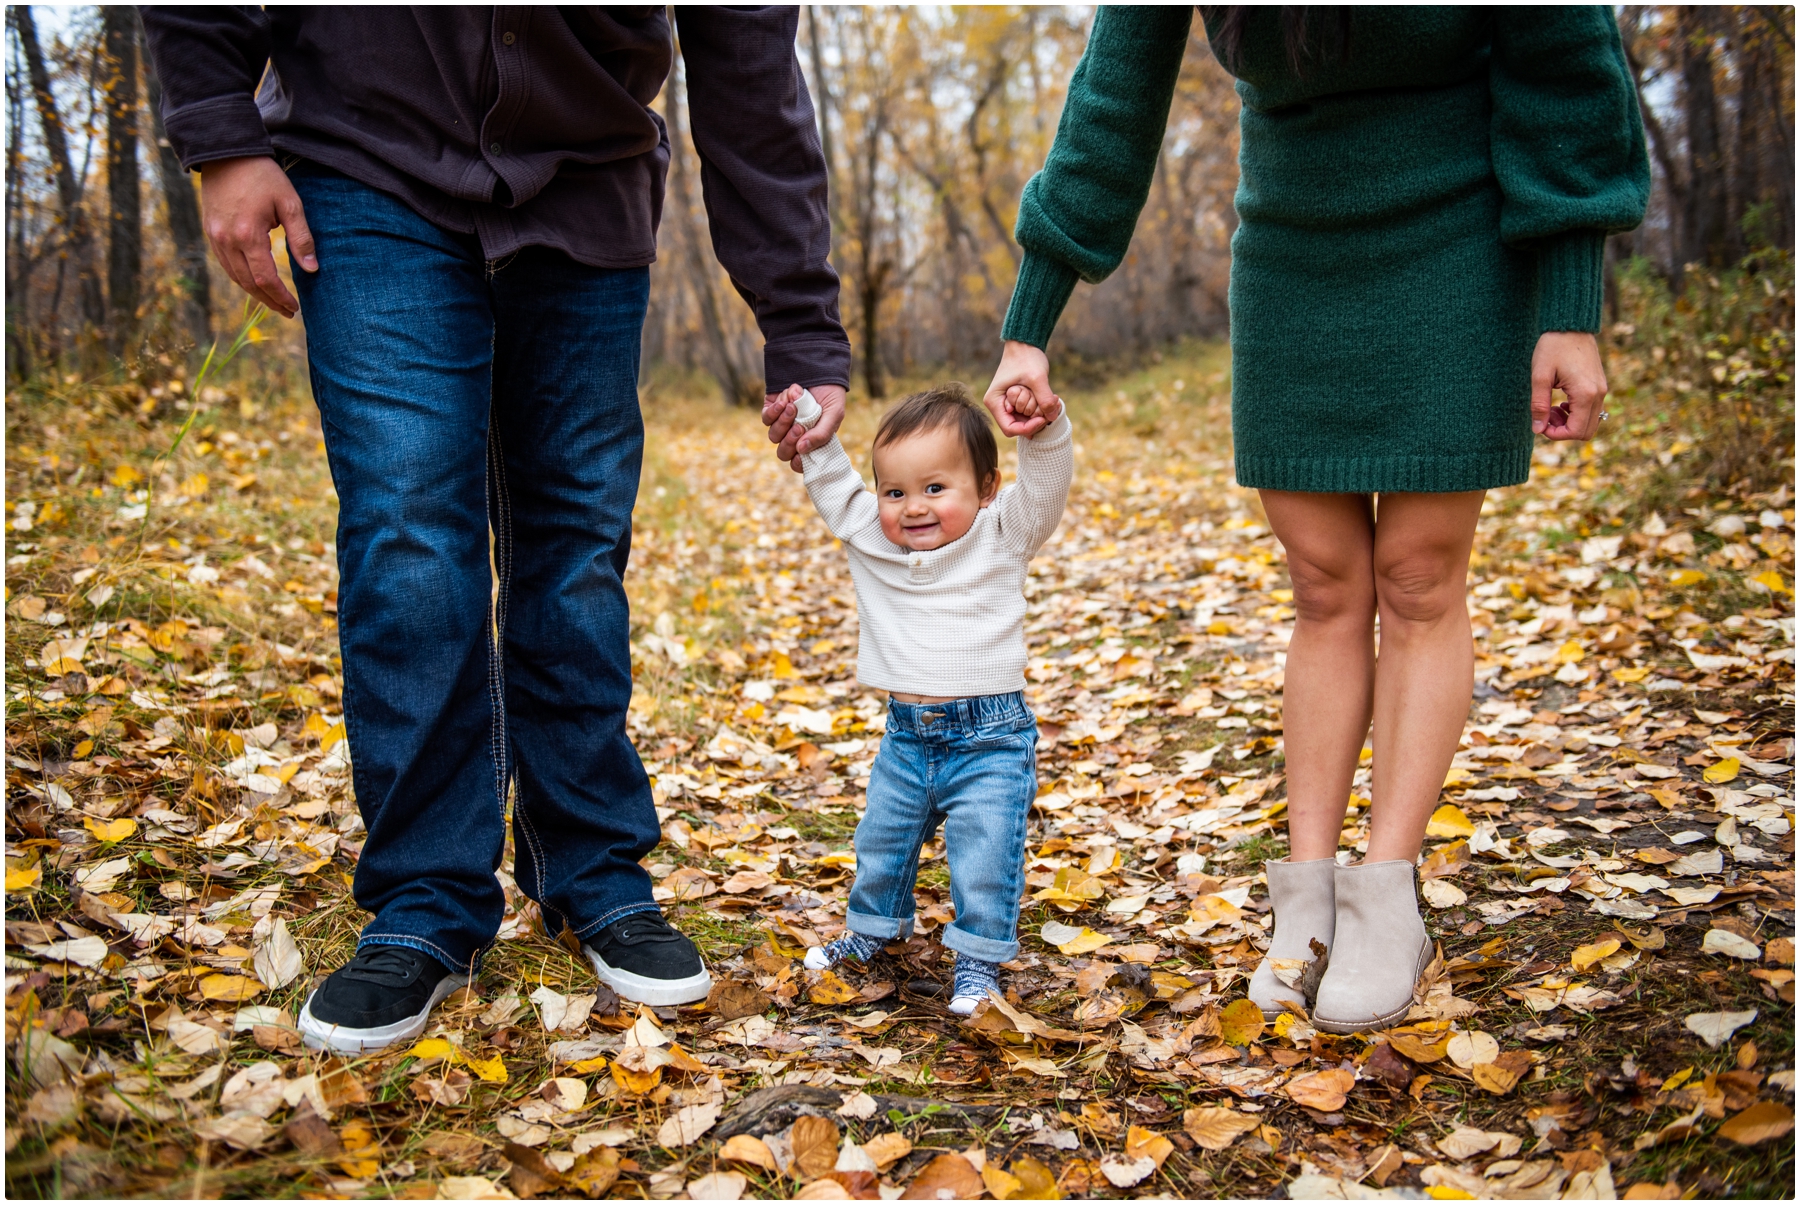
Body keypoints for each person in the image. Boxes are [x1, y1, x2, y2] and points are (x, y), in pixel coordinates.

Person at [141, 7, 852, 1054]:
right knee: (409, 533)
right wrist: (222, 133)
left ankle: (593, 868)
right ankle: (425, 897)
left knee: (575, 547)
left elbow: (747, 58)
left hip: (589, 181)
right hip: (363, 156)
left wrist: (797, 314)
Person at [983, 7, 1648, 1033]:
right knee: (1325, 581)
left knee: (1419, 577)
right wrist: (1032, 322)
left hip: (1461, 243)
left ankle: (1387, 893)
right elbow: (1112, 100)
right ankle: (1306, 893)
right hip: (1293, 251)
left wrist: (1571, 302)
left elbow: (1563, 61)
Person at [764, 381, 1072, 1013]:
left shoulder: (1002, 534)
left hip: (991, 738)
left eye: (936, 488)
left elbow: (1043, 490)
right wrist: (805, 413)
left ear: (986, 489)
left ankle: (980, 962)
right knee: (882, 842)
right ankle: (871, 932)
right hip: (906, 736)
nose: (913, 508)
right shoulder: (872, 541)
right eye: (894, 492)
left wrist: (1043, 429)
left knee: (985, 854)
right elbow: (831, 479)